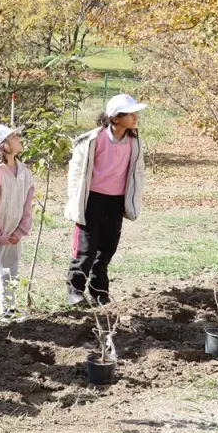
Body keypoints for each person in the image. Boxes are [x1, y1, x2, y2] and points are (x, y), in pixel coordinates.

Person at [65, 94, 146, 305]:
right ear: (116, 118)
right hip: (92, 201)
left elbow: (138, 171)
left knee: (107, 249)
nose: (135, 117)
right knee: (86, 248)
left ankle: (99, 291)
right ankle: (74, 290)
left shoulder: (134, 141)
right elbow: (76, 171)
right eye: (131, 114)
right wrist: (75, 200)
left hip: (116, 202)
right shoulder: (93, 139)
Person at [0, 125, 34, 317]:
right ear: (4, 144)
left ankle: (8, 309)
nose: (19, 138)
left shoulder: (23, 170)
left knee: (10, 268)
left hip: (14, 230)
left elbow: (28, 202)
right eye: (14, 136)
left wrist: (20, 231)